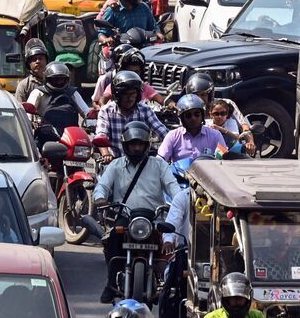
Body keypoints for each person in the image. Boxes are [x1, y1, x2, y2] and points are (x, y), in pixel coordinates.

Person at [93, 122, 178, 301]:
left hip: (153, 218)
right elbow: (102, 186)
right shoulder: (115, 165)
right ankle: (111, 283)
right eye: (133, 144)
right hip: (126, 217)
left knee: (174, 243)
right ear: (126, 145)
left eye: (140, 144)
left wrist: (178, 201)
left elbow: (173, 187)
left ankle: (167, 283)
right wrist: (100, 198)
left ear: (146, 145)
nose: (137, 148)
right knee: (112, 240)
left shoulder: (159, 165)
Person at [97, 72, 169, 150]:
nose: (130, 98)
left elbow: (162, 131)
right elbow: (101, 135)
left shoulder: (145, 110)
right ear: (117, 95)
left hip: (142, 159)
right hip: (115, 159)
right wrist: (106, 154)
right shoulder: (106, 111)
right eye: (125, 94)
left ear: (138, 95)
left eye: (133, 94)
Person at [159, 95, 225, 163]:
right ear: (182, 118)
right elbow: (160, 160)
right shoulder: (172, 136)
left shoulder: (216, 135)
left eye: (197, 114)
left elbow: (223, 161)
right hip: (179, 173)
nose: (193, 118)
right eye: (188, 115)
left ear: (202, 116)